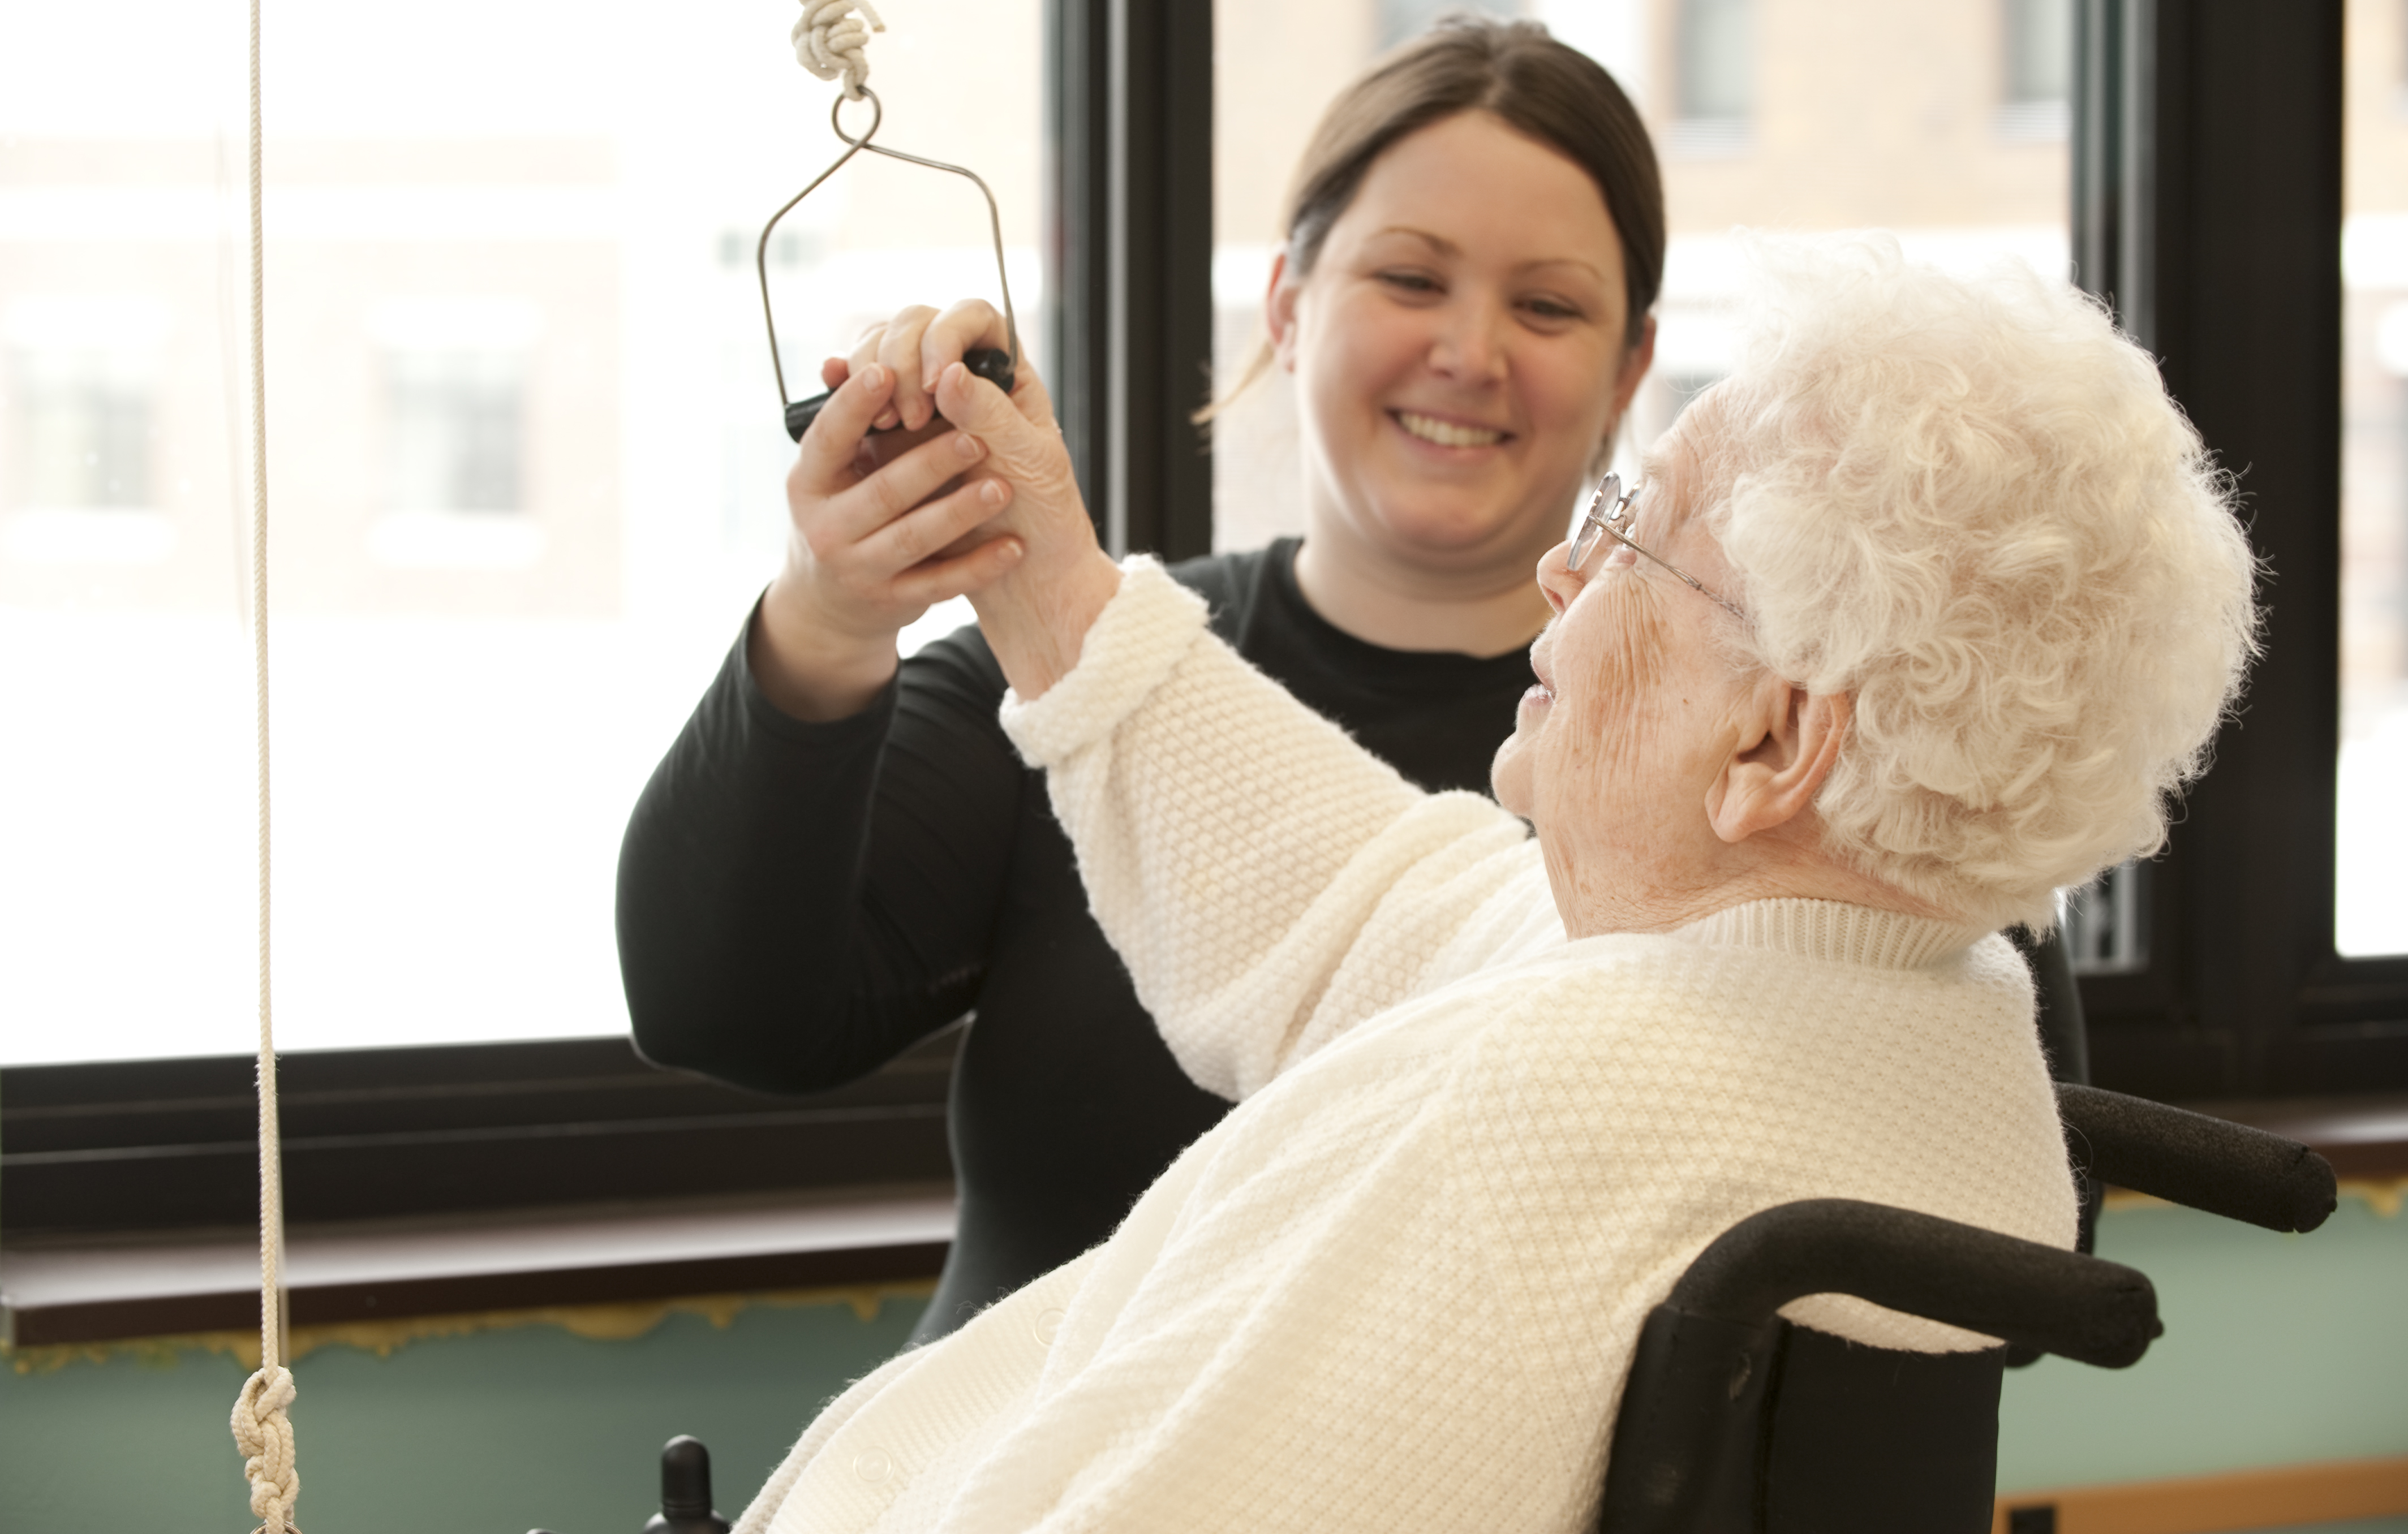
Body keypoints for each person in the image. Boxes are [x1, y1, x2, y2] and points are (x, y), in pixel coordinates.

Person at [729, 235, 2258, 1533]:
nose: (1563, 573)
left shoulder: (1534, 1123)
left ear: (1775, 739)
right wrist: (1034, 562)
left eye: (1633, 535)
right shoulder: (1903, 1012)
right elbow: (1367, 909)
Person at [615, 18, 1662, 1340]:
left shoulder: (1706, 763)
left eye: (1548, 306)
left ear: (1632, 364)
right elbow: (724, 1012)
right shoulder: (1068, 677)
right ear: (1287, 307)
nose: (1470, 351)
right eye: (1409, 278)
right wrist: (824, 624)